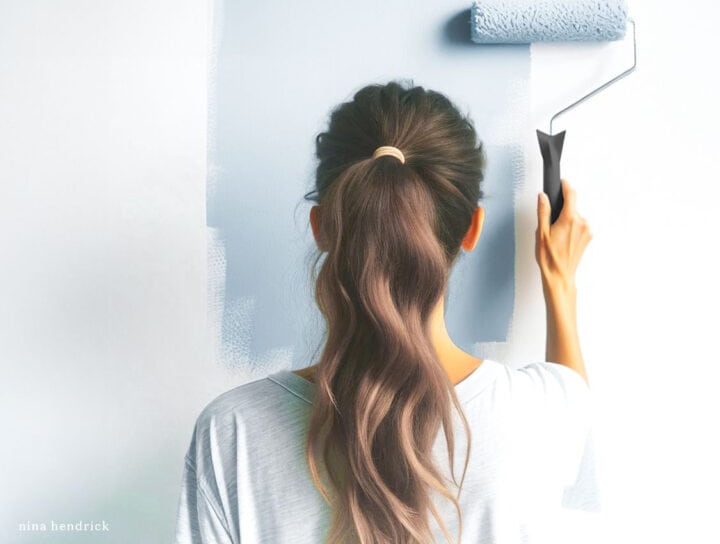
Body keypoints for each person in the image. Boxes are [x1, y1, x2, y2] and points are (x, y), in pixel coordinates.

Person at [174, 79, 594, 543]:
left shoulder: (231, 432)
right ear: (472, 228)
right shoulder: (541, 413)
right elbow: (570, 396)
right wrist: (560, 284)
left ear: (321, 228)